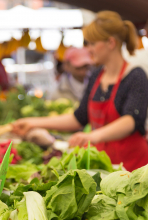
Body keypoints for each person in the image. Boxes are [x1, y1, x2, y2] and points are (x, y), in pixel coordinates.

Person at [12, 11, 148, 171]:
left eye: (92, 43)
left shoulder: (135, 76)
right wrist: (32, 122)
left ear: (111, 43)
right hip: (103, 165)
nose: (88, 49)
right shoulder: (96, 76)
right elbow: (80, 117)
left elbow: (131, 120)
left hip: (134, 166)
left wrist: (92, 136)